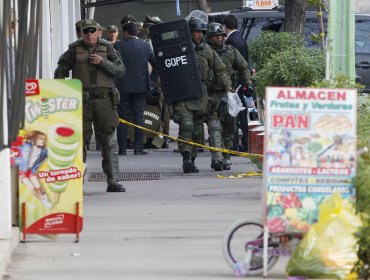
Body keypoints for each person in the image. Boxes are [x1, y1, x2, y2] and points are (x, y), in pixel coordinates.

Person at [54, 19, 126, 193]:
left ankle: (113, 180)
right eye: (85, 31)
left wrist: (103, 62)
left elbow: (120, 70)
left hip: (104, 101)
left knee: (109, 141)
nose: (89, 34)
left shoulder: (107, 48)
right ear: (81, 33)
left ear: (99, 32)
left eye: (92, 30)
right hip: (81, 102)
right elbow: (59, 74)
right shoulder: (74, 50)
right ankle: (76, 182)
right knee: (79, 142)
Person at [172, 17, 232, 173]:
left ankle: (191, 159)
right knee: (187, 125)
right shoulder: (179, 48)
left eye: (202, 32)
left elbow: (220, 70)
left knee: (197, 130)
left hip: (201, 95)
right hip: (184, 93)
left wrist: (229, 90)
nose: (199, 35)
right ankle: (186, 158)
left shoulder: (207, 51)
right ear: (189, 32)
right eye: (196, 32)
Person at [206, 22, 253, 170]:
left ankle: (226, 157)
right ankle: (217, 158)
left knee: (230, 126)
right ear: (209, 37)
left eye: (220, 35)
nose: (218, 38)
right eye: (215, 36)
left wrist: (248, 84)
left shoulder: (231, 52)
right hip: (211, 95)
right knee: (214, 126)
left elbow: (244, 67)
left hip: (229, 95)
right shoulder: (204, 52)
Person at [114, 21, 156, 155]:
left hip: (122, 86)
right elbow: (155, 63)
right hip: (141, 86)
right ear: (136, 32)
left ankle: (122, 148)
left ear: (125, 32)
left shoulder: (119, 45)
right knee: (139, 116)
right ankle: (139, 148)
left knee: (123, 117)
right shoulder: (144, 46)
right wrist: (152, 80)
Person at [223, 14, 252, 153]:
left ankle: (237, 144)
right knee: (242, 114)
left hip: (237, 84)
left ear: (224, 26)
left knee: (236, 114)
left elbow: (233, 64)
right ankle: (245, 143)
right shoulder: (241, 38)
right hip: (243, 82)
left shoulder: (231, 42)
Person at [14, 130, 52, 208]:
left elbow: (51, 154)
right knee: (32, 187)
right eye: (41, 138)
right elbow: (17, 147)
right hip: (21, 171)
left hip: (30, 170)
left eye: (44, 139)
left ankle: (45, 197)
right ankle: (43, 201)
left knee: (38, 186)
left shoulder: (43, 151)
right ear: (34, 139)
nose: (43, 140)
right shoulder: (26, 145)